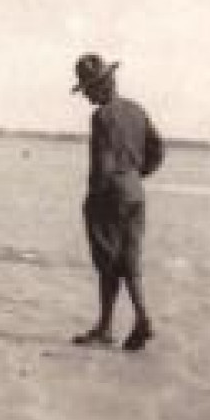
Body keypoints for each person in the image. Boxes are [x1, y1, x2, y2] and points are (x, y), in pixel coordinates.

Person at [70, 52, 164, 352]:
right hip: (135, 192)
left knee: (107, 264)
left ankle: (105, 328)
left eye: (87, 89)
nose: (86, 96)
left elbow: (102, 163)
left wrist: (93, 198)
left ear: (101, 85)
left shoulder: (102, 116)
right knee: (131, 261)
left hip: (109, 195)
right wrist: (136, 175)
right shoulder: (137, 109)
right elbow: (158, 149)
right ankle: (141, 318)